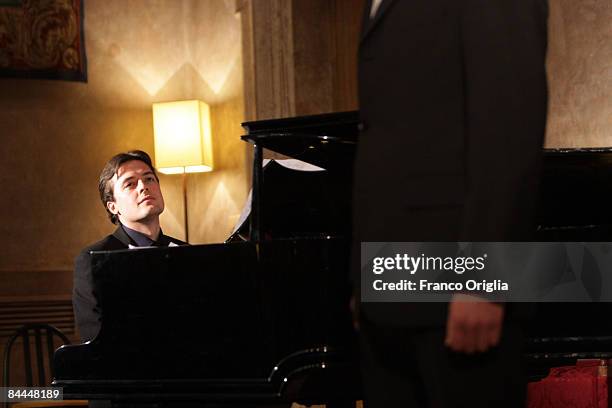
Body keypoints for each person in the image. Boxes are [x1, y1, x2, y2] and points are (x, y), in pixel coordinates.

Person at [353, 0, 548, 407]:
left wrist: (485, 281)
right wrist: (362, 276)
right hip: (387, 290)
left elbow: (509, 122)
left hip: (459, 284)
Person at [73, 150, 185, 342]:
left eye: (149, 179)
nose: (143, 187)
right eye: (130, 183)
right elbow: (94, 336)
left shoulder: (187, 252)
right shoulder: (92, 259)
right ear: (113, 206)